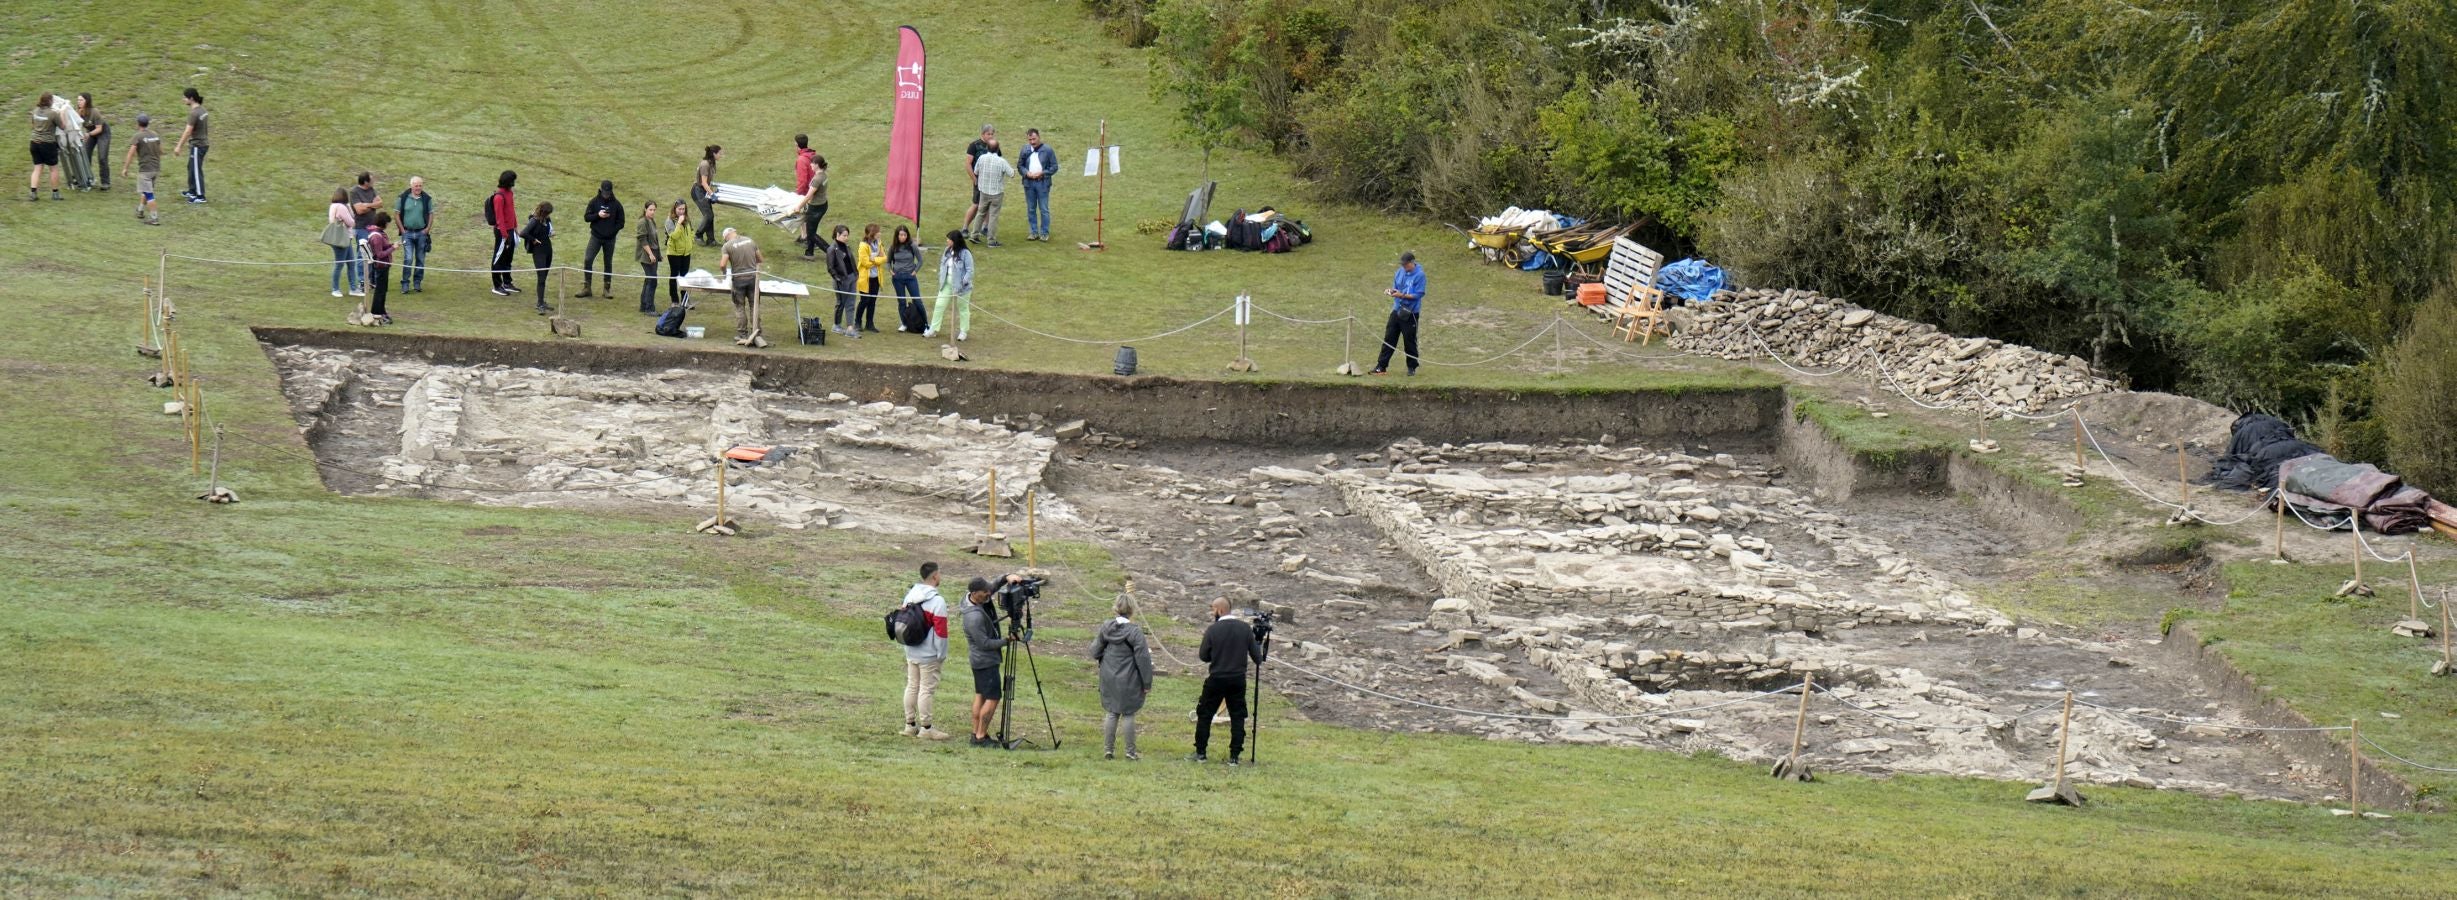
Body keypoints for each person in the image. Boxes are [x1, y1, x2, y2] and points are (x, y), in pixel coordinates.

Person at [1192, 597, 1264, 765]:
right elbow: (1257, 658)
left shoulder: (1213, 630)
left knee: (1205, 714)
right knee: (1237, 716)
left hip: (1217, 677)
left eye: (1213, 609)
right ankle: (1234, 756)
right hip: (1238, 679)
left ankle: (1201, 753)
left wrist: (1216, 656)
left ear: (1220, 610)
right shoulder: (1245, 629)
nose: (1212, 613)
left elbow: (1203, 656)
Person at [1090, 595, 1154, 760]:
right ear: (1132, 610)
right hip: (1129, 678)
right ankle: (1130, 752)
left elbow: (1094, 651)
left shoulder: (1106, 627)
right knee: (1128, 713)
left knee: (1112, 712)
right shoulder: (1135, 632)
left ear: (1115, 608)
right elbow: (1143, 659)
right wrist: (1147, 682)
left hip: (1108, 676)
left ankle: (1108, 750)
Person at [961, 574, 1021, 747]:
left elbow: (992, 586)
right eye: (985, 593)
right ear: (974, 593)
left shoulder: (975, 598)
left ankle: (976, 733)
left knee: (981, 694)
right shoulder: (974, 617)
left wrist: (1007, 577)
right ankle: (980, 737)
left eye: (989, 591)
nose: (989, 594)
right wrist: (1007, 640)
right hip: (985, 660)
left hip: (978, 661)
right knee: (993, 697)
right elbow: (985, 643)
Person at [898, 562, 955, 741]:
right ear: (935, 576)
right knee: (926, 689)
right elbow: (941, 632)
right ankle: (927, 728)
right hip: (929, 653)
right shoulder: (937, 601)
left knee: (912, 685)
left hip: (911, 649)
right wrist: (941, 653)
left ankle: (910, 724)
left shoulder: (910, 595)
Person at [1371, 251, 1426, 377]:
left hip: (1411, 313)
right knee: (1389, 338)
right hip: (1397, 310)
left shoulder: (1420, 275)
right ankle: (1381, 366)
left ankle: (1412, 367)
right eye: (1403, 265)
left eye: (1406, 265)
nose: (1404, 267)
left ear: (1412, 263)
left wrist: (1402, 295)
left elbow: (1418, 294)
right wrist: (1392, 291)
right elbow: (1396, 287)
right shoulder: (1399, 272)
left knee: (1409, 341)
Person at [719, 226, 769, 347]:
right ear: (735, 232)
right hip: (753, 279)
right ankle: (757, 332)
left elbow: (722, 264)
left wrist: (724, 273)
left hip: (739, 281)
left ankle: (742, 334)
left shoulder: (727, 246)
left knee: (740, 307)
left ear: (726, 237)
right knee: (754, 306)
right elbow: (760, 259)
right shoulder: (750, 241)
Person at [578, 180, 623, 298]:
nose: (606, 194)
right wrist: (598, 215)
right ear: (601, 190)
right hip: (596, 237)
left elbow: (621, 222)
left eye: (608, 192)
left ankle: (606, 289)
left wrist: (612, 231)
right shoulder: (594, 202)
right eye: (604, 192)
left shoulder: (617, 205)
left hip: (610, 239)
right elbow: (586, 217)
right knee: (588, 259)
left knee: (608, 263)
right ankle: (587, 287)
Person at [926, 230, 973, 341]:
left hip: (962, 287)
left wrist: (963, 283)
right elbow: (943, 265)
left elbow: (970, 271)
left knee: (963, 308)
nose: (947, 241)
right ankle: (933, 329)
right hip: (946, 284)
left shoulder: (966, 253)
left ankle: (963, 331)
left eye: (949, 239)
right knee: (939, 305)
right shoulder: (947, 251)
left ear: (955, 241)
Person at [969, 140, 1013, 247]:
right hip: (996, 193)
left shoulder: (981, 158)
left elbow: (976, 172)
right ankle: (991, 240)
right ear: (998, 149)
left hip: (983, 191)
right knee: (993, 216)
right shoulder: (1001, 161)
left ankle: (974, 235)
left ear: (987, 148)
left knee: (980, 213)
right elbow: (1011, 173)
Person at [120, 113, 162, 225]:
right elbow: (160, 150)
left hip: (145, 169)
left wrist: (125, 168)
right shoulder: (155, 134)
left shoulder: (138, 136)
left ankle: (154, 218)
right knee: (146, 190)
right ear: (148, 123)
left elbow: (131, 154)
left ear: (138, 123)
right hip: (155, 168)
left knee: (149, 194)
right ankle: (140, 210)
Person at [394, 176, 434, 293]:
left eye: (420, 185)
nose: (418, 188)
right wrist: (402, 230)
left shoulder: (427, 199)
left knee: (420, 259)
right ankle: (405, 283)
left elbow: (431, 214)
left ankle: (417, 283)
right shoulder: (403, 198)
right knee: (408, 258)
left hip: (421, 233)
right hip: (407, 233)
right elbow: (396, 214)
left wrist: (427, 229)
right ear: (411, 186)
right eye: (416, 185)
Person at [1018, 128, 1056, 242]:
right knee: (1031, 209)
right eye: (1030, 139)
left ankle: (1044, 233)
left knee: (1044, 209)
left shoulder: (1048, 150)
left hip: (1043, 183)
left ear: (1039, 137)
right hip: (1029, 183)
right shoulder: (1025, 150)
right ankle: (1033, 232)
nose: (1032, 142)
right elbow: (1020, 166)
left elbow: (1054, 167)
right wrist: (1027, 173)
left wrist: (1042, 173)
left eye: (1034, 139)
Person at [792, 136, 828, 258]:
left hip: (815, 207)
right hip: (822, 204)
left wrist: (798, 205)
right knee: (811, 229)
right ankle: (809, 253)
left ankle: (831, 252)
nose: (810, 166)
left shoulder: (815, 179)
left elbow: (807, 195)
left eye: (812, 164)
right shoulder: (823, 175)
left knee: (811, 233)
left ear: (817, 165)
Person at [346, 173, 381, 294]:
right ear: (365, 182)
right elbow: (359, 210)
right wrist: (373, 204)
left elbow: (380, 203)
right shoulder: (354, 192)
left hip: (373, 227)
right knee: (362, 254)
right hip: (361, 227)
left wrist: (368, 205)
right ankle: (362, 281)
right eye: (371, 180)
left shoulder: (372, 190)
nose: (373, 181)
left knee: (372, 254)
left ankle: (370, 280)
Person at [172, 87, 207, 203]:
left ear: (191, 98)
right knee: (191, 167)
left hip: (198, 145)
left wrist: (178, 146)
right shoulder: (202, 110)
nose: (183, 99)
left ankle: (200, 196)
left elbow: (188, 131)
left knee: (196, 170)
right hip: (202, 143)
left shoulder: (194, 113)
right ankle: (192, 191)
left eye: (185, 97)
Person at [487, 170, 520, 296]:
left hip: (510, 230)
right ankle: (497, 285)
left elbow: (512, 211)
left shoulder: (509, 193)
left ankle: (507, 282)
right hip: (502, 232)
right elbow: (500, 218)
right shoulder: (499, 197)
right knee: (498, 258)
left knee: (508, 257)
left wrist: (515, 227)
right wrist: (505, 235)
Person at [520, 201, 555, 314]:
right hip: (539, 252)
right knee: (541, 277)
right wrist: (533, 239)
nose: (549, 215)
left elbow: (549, 229)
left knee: (544, 276)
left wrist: (551, 232)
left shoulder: (547, 219)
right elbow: (523, 233)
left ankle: (542, 302)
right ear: (543, 212)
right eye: (548, 213)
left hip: (548, 250)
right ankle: (539, 303)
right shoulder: (534, 221)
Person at [29, 93, 64, 201]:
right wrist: (62, 113)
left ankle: (33, 193)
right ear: (49, 101)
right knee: (53, 169)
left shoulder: (35, 111)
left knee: (37, 168)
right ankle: (55, 193)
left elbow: (33, 125)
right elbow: (63, 126)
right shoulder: (53, 113)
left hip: (34, 142)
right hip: (47, 144)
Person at [826, 224, 859, 339]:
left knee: (851, 303)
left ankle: (850, 327)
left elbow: (851, 261)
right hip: (841, 280)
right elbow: (830, 267)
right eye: (844, 235)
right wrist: (837, 278)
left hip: (852, 277)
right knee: (841, 303)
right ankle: (836, 324)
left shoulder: (846, 246)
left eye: (847, 235)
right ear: (837, 235)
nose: (846, 237)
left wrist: (856, 274)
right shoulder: (832, 249)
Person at [325, 188, 359, 298]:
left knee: (351, 263)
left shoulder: (332, 206)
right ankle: (335, 288)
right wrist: (349, 208)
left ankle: (353, 288)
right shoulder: (342, 207)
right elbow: (352, 222)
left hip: (339, 238)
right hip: (342, 238)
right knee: (340, 264)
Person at [887, 225, 923, 332]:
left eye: (905, 235)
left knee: (917, 300)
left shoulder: (912, 246)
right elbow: (888, 261)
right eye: (901, 235)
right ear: (897, 236)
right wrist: (891, 271)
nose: (903, 237)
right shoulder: (893, 247)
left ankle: (924, 323)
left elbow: (920, 260)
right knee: (901, 301)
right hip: (897, 277)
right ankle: (904, 323)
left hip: (910, 277)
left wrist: (915, 271)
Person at [961, 123, 995, 233]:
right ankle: (965, 227)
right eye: (988, 134)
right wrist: (974, 179)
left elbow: (998, 161)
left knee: (988, 204)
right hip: (979, 180)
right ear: (982, 134)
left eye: (992, 134)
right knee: (976, 204)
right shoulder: (974, 145)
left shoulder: (994, 146)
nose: (990, 136)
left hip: (991, 181)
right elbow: (968, 164)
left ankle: (985, 227)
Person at [633, 200, 664, 314]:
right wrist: (650, 254)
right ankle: (649, 308)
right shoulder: (643, 222)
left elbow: (654, 239)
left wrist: (657, 254)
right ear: (645, 209)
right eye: (650, 209)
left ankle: (644, 305)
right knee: (652, 280)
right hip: (646, 255)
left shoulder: (651, 221)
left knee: (649, 280)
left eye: (654, 210)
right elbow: (643, 239)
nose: (652, 212)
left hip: (653, 254)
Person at [363, 211, 394, 323]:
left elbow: (383, 247)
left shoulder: (379, 234)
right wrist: (393, 248)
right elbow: (379, 254)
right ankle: (377, 313)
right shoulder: (376, 236)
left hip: (384, 266)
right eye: (387, 223)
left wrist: (391, 245)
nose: (388, 225)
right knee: (380, 291)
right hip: (381, 266)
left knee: (383, 290)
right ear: (383, 223)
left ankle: (382, 311)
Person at [74, 93, 108, 191]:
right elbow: (77, 126)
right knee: (85, 154)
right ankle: (87, 179)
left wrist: (88, 134)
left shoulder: (94, 112)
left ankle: (105, 182)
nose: (79, 102)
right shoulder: (79, 113)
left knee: (102, 157)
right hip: (90, 133)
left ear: (87, 101)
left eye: (81, 100)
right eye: (78, 100)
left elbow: (99, 129)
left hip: (102, 133)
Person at [664, 199, 694, 307]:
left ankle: (685, 300)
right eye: (679, 209)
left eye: (683, 209)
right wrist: (679, 223)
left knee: (684, 276)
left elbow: (691, 231)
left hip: (686, 252)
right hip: (674, 253)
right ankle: (674, 300)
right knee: (674, 275)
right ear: (674, 209)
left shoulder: (687, 219)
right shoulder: (669, 221)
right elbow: (674, 236)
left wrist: (691, 241)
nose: (682, 211)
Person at [854, 223, 883, 333]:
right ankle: (857, 322)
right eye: (877, 231)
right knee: (864, 300)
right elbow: (865, 263)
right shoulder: (863, 245)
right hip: (865, 278)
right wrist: (877, 259)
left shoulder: (879, 243)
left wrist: (873, 259)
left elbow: (884, 258)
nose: (879, 233)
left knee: (872, 301)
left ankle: (870, 323)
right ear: (872, 233)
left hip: (875, 278)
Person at [692, 144, 721, 247]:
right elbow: (704, 182)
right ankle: (697, 235)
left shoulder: (712, 163)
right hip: (698, 191)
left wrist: (711, 192)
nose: (721, 155)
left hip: (704, 191)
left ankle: (711, 240)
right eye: (719, 153)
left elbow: (709, 182)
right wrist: (712, 194)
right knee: (708, 215)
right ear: (714, 153)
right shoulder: (705, 164)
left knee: (710, 216)